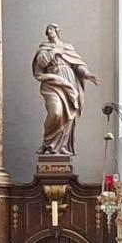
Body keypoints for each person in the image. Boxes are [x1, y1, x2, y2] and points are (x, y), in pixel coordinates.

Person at [31, 24, 97, 160]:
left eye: (51, 29)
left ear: (57, 31)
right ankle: (47, 143)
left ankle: (62, 147)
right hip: (52, 82)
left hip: (69, 81)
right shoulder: (44, 48)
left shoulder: (68, 47)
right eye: (47, 30)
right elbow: (41, 63)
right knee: (55, 112)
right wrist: (54, 52)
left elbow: (77, 64)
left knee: (68, 115)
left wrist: (86, 74)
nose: (48, 31)